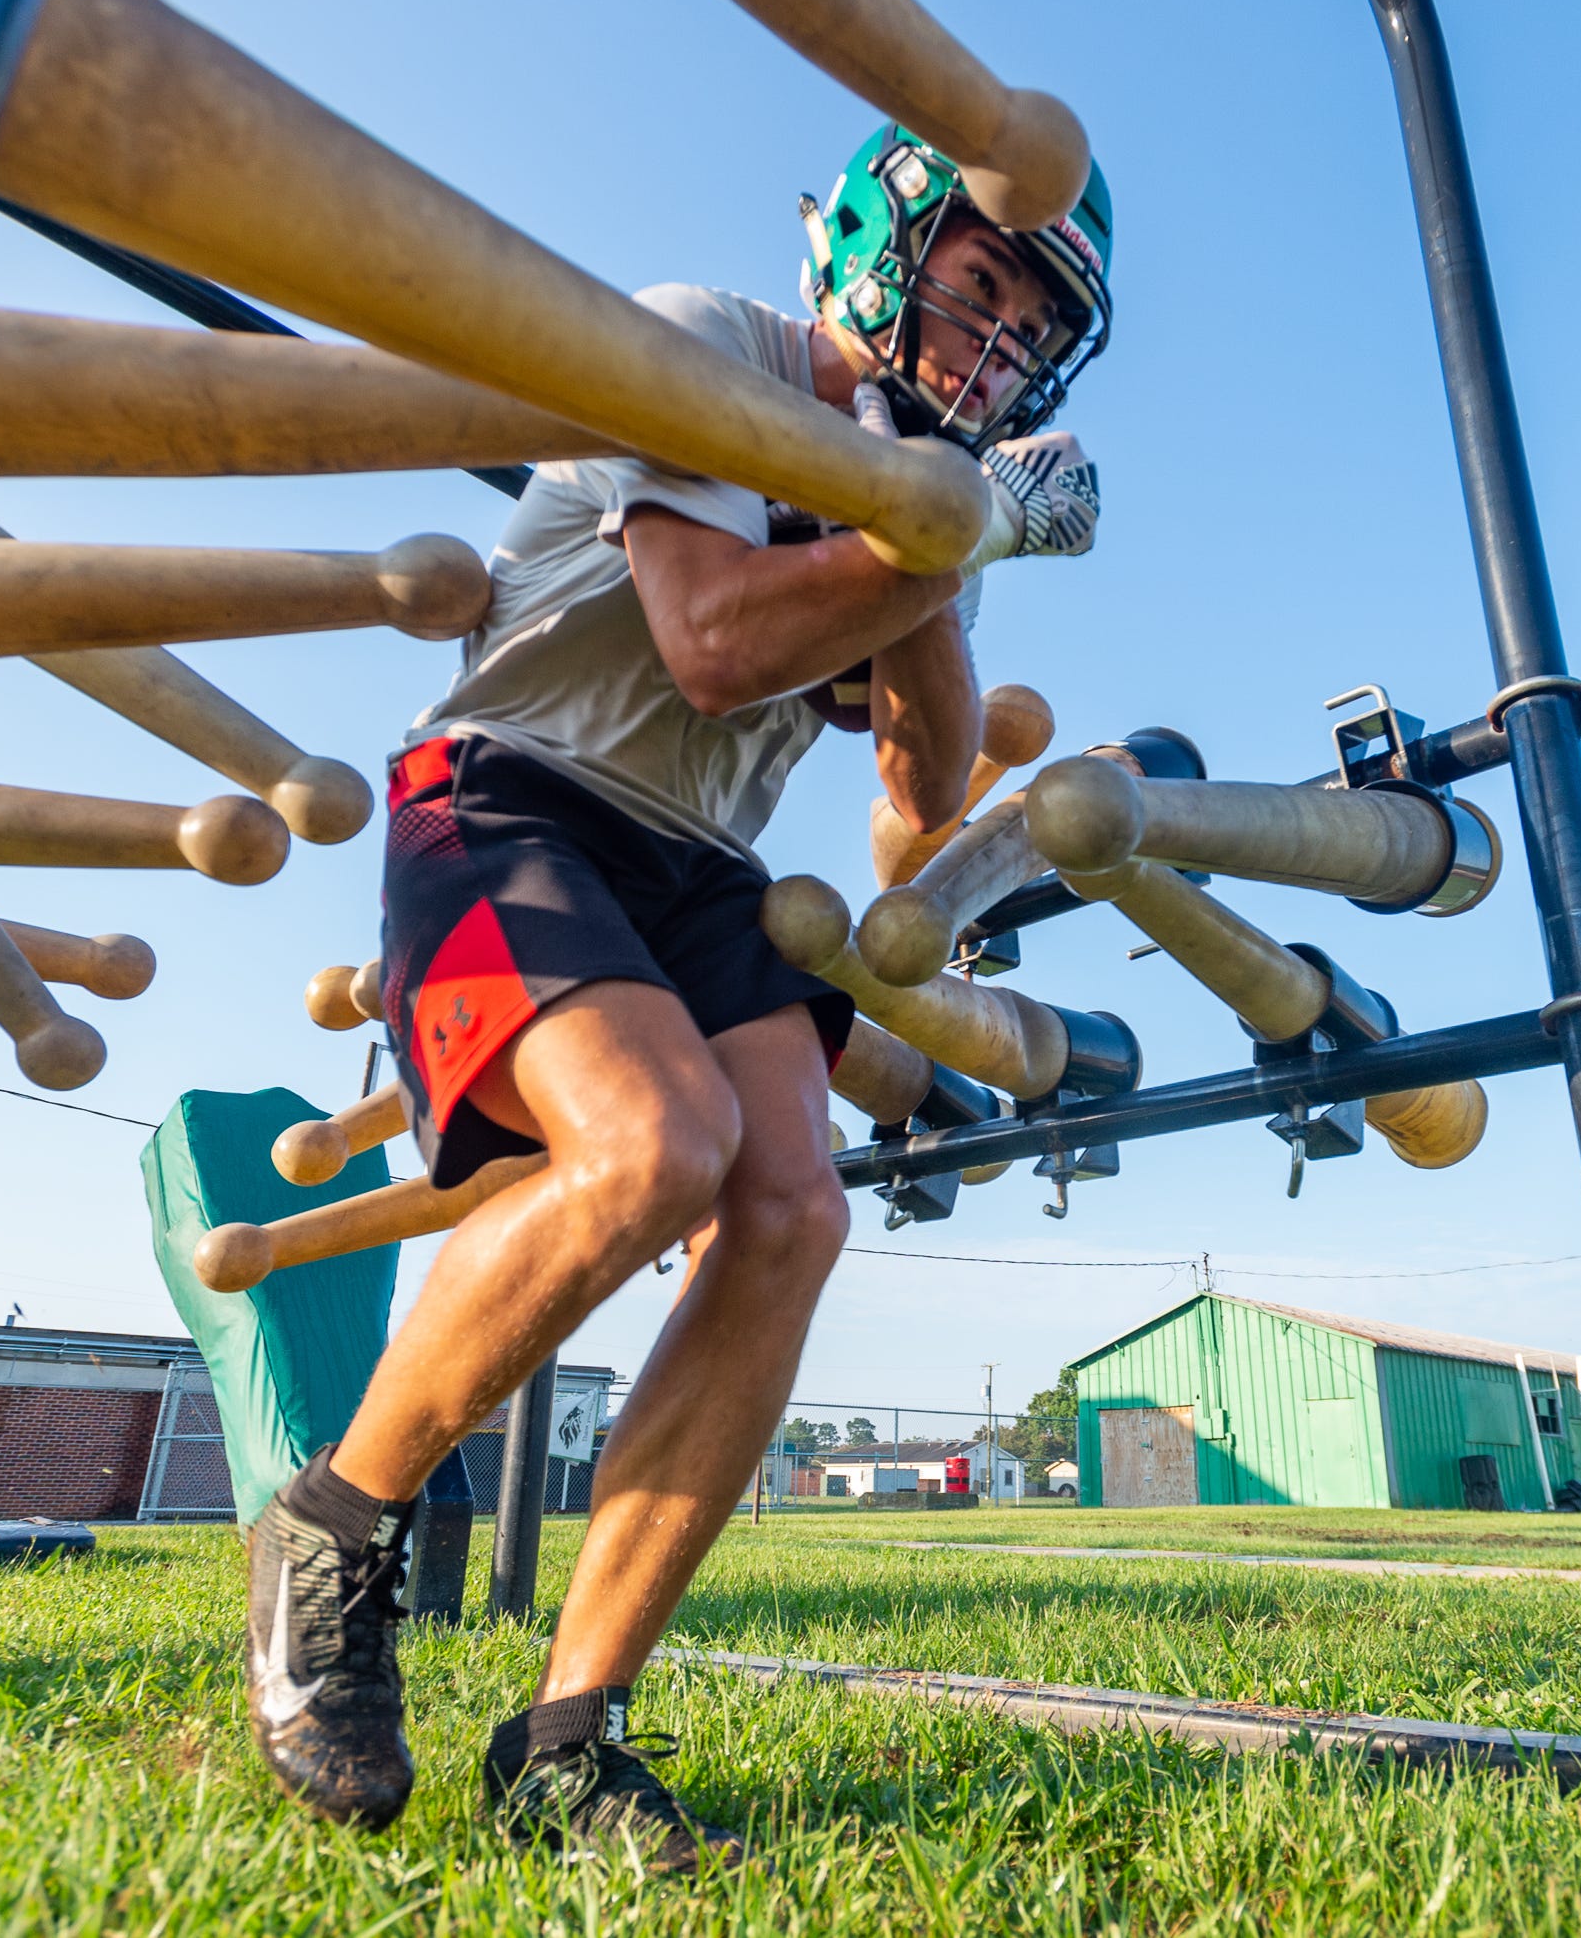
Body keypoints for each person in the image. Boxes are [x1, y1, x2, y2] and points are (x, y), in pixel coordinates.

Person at [239, 123, 1114, 1871]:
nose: (1003, 329)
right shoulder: (708, 343)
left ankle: (569, 1735)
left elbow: (929, 782)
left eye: (1038, 312)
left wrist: (952, 535)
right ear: (886, 233)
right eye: (984, 271)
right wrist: (951, 521)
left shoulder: (905, 478)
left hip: (696, 864)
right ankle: (332, 1522)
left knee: (791, 1213)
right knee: (656, 1150)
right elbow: (713, 639)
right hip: (513, 789)